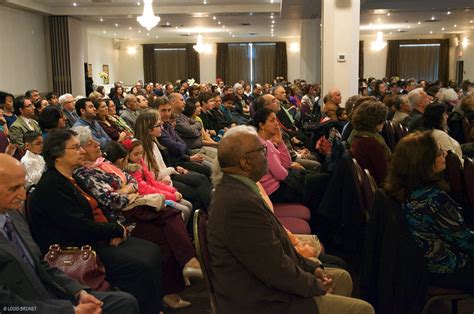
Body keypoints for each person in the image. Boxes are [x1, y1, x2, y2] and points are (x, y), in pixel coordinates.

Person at [207, 126, 375, 314]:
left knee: (342, 277)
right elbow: (272, 267)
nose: (267, 154)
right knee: (362, 309)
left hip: (266, 286)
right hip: (260, 300)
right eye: (262, 150)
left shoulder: (240, 190)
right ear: (245, 163)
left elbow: (280, 248)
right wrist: (314, 285)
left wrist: (313, 269)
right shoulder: (238, 204)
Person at [28, 129, 164, 314]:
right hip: (79, 248)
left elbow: (99, 207)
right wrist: (114, 230)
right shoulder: (51, 186)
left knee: (153, 250)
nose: (82, 151)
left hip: (98, 235)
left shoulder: (72, 177)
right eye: (76, 147)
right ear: (57, 156)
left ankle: (154, 306)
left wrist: (116, 229)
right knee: (141, 264)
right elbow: (78, 226)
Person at [0, 153, 139, 314]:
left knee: (125, 302)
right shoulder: (48, 187)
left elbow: (41, 264)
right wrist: (69, 310)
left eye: (22, 186)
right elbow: (6, 305)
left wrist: (78, 291)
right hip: (30, 306)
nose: (22, 195)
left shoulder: (12, 215)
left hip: (51, 294)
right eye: (14, 189)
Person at [384, 131, 474, 290]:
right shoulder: (432, 198)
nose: (445, 153)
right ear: (425, 161)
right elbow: (465, 241)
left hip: (422, 264)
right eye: (439, 152)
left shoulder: (402, 187)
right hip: (447, 268)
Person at [134, 110, 212, 212]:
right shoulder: (142, 150)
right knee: (194, 194)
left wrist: (172, 170)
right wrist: (171, 170)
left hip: (166, 175)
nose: (161, 128)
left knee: (201, 178)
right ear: (148, 130)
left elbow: (163, 165)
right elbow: (153, 176)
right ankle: (204, 218)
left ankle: (210, 213)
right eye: (158, 125)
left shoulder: (152, 143)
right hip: (159, 181)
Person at [122, 138, 193, 224]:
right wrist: (171, 196)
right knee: (185, 210)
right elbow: (144, 190)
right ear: (127, 155)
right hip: (147, 200)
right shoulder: (132, 170)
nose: (140, 156)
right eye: (136, 154)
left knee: (189, 205)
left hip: (155, 194)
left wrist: (173, 191)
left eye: (141, 153)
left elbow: (152, 182)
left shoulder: (140, 163)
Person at [347, 99, 390, 186]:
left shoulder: (357, 137)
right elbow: (385, 174)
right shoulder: (372, 143)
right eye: (381, 120)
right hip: (379, 188)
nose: (383, 123)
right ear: (374, 122)